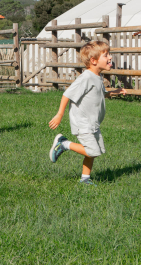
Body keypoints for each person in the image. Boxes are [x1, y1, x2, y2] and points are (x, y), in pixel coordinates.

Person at [48, 41, 126, 186]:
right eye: (106, 55)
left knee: (95, 151)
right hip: (83, 123)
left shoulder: (97, 77)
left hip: (93, 123)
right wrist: (59, 115)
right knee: (92, 151)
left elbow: (101, 94)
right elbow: (67, 94)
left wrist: (114, 92)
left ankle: (85, 179)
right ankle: (64, 144)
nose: (110, 57)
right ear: (94, 61)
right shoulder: (86, 77)